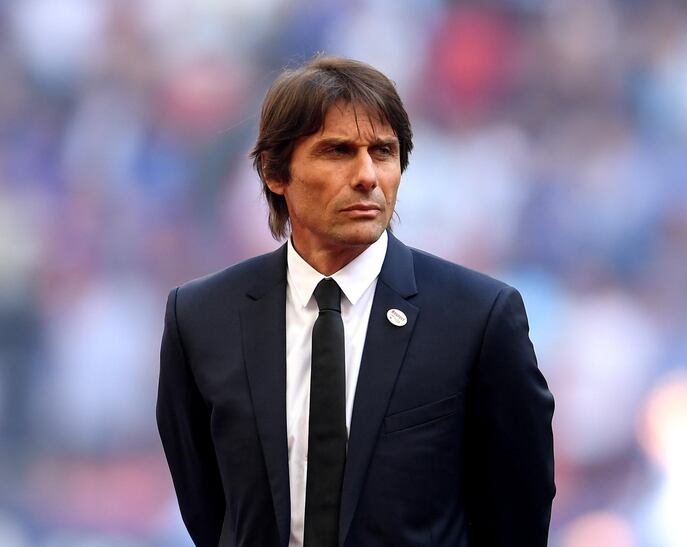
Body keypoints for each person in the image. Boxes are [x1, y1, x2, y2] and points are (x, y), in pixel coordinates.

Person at [156, 55, 555, 547]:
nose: (367, 175)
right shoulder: (200, 318)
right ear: (274, 172)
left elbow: (519, 514)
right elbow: (209, 507)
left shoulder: (478, 317)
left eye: (384, 152)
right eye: (338, 151)